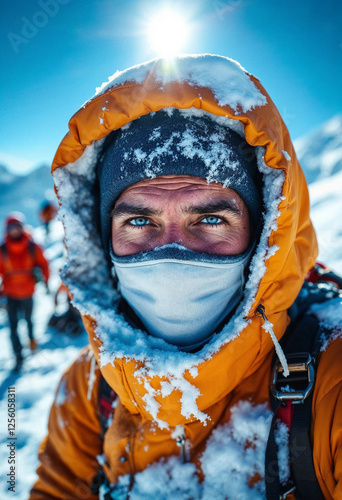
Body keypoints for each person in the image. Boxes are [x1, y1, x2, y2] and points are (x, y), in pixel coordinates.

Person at [29, 55, 342, 499]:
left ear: (262, 237)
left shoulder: (332, 379)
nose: (172, 256)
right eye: (139, 222)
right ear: (104, 244)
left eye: (211, 220)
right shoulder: (90, 386)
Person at [0, 212, 49, 369]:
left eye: (16, 226)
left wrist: (45, 281)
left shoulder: (32, 247)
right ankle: (18, 355)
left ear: (21, 227)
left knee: (29, 320)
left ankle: (32, 342)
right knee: (13, 326)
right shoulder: (3, 251)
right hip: (10, 294)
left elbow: (44, 264)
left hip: (28, 291)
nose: (14, 230)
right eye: (11, 227)